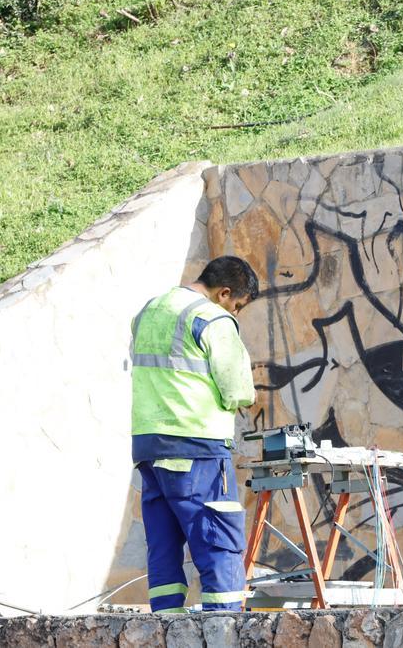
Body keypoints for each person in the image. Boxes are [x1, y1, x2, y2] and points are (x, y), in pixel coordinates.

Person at [129, 256, 259, 613]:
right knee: (220, 542)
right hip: (196, 445)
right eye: (237, 306)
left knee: (164, 549)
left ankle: (164, 626)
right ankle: (225, 628)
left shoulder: (149, 311)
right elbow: (238, 389)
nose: (235, 313)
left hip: (149, 447)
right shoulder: (213, 318)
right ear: (225, 293)